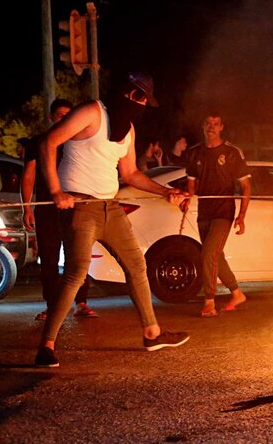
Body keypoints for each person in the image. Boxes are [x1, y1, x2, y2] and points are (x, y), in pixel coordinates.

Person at [34, 72, 189, 368]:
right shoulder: (91, 112)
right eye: (142, 98)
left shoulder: (128, 130)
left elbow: (130, 174)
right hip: (80, 205)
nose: (143, 106)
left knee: (137, 264)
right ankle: (47, 345)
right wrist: (56, 191)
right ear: (130, 94)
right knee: (76, 272)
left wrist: (165, 192)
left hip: (111, 207)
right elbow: (48, 143)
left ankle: (152, 333)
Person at [21, 99, 98, 322]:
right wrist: (27, 207)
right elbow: (29, 176)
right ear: (51, 117)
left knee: (78, 254)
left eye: (68, 115)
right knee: (49, 257)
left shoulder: (78, 142)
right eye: (59, 115)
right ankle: (52, 305)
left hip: (76, 207)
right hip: (47, 208)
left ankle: (81, 302)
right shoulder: (38, 142)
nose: (63, 119)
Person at [182, 115, 251, 317]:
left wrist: (242, 215)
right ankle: (237, 293)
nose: (211, 127)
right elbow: (191, 183)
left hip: (223, 211)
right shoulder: (195, 153)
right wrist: (187, 198)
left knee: (208, 254)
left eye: (215, 124)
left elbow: (246, 186)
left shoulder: (232, 153)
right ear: (203, 126)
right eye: (208, 123)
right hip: (204, 211)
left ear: (222, 127)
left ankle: (209, 301)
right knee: (215, 256)